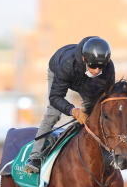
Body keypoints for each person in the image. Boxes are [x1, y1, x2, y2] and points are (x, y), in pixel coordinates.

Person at [25, 36, 115, 173]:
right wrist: (73, 111)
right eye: (93, 66)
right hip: (59, 70)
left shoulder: (108, 69)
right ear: (84, 59)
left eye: (101, 66)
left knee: (98, 112)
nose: (97, 70)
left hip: (85, 80)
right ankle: (35, 156)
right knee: (54, 113)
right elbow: (55, 97)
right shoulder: (67, 65)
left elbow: (107, 101)